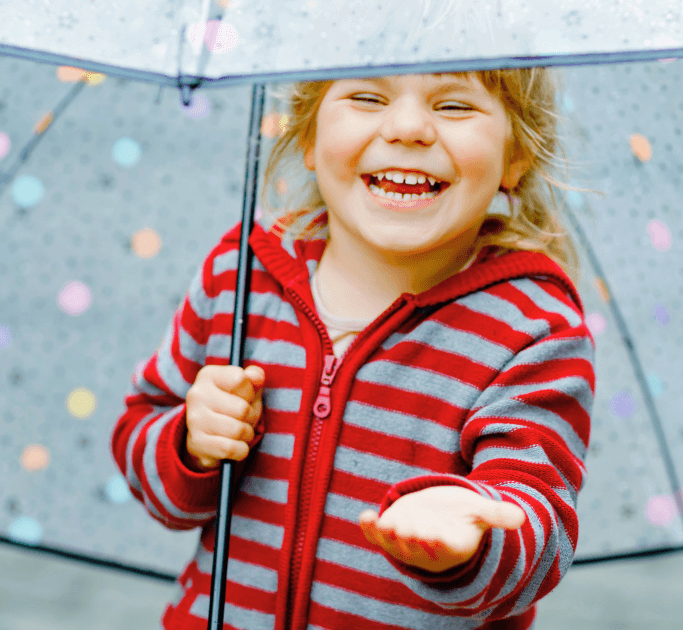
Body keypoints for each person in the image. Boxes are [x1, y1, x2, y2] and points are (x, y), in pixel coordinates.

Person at [112, 68, 594, 630]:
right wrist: (190, 443)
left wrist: (471, 541)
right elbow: (141, 433)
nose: (409, 127)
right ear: (310, 136)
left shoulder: (532, 329)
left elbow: (540, 529)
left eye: (455, 106)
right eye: (367, 96)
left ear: (517, 156)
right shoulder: (240, 275)